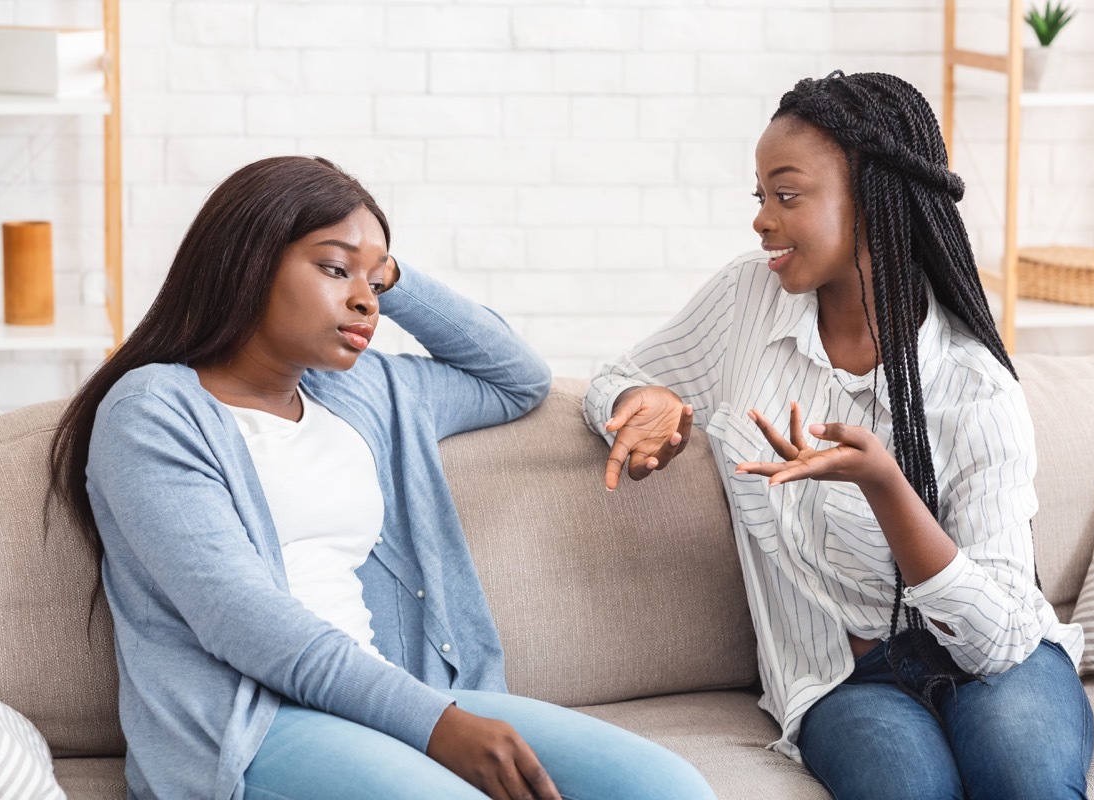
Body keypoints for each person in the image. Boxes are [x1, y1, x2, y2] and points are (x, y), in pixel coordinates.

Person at [50, 156, 716, 800]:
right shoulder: (152, 410)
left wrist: (386, 270)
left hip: (397, 699)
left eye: (376, 282)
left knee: (669, 788)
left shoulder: (366, 393)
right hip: (250, 729)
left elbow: (519, 379)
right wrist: (435, 726)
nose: (364, 301)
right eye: (336, 268)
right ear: (249, 259)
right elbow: (241, 619)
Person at [586, 72, 1093, 800]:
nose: (762, 220)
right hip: (842, 678)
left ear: (873, 200)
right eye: (759, 196)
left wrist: (886, 485)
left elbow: (998, 641)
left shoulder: (974, 384)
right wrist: (648, 399)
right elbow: (617, 376)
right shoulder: (746, 301)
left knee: (1028, 785)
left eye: (786, 195)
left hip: (997, 664)